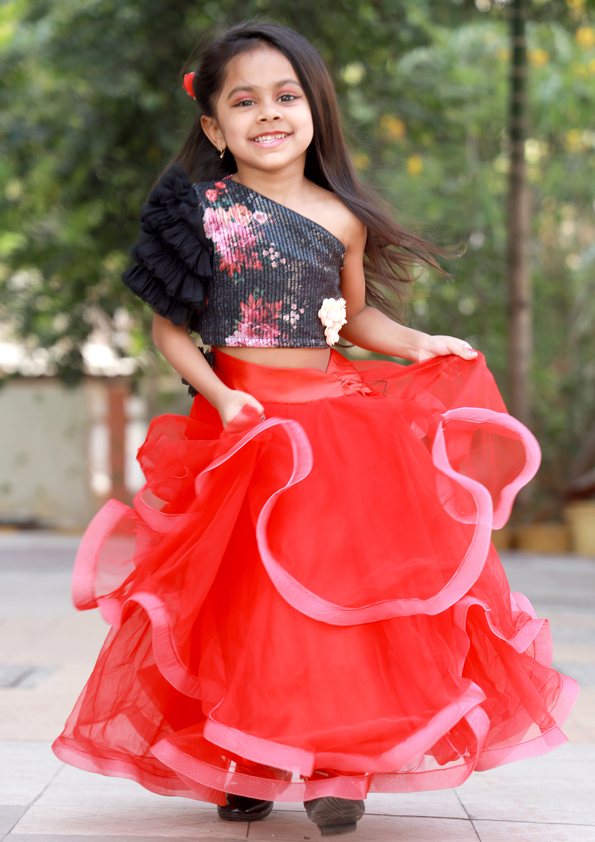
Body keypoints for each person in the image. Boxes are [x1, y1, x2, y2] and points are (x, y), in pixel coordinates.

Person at [53, 21, 578, 836]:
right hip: (246, 425)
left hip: (337, 426)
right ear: (213, 128)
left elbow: (355, 317)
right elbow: (169, 330)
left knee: (336, 599)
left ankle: (340, 766)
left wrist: (418, 343)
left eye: (285, 96)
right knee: (245, 605)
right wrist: (221, 397)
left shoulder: (341, 217)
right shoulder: (199, 212)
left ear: (314, 110)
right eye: (244, 101)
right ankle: (246, 759)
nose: (268, 113)